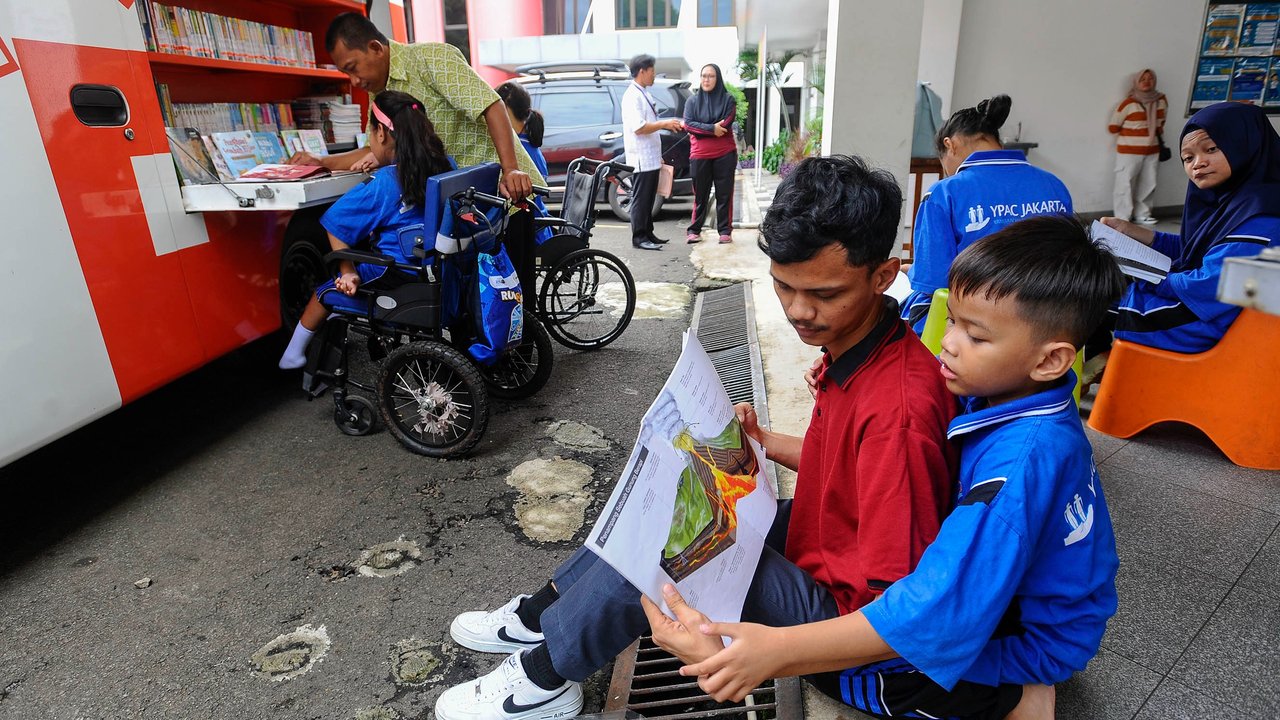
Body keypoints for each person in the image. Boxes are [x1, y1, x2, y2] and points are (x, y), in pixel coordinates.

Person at [431, 155, 958, 720]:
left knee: (673, 538)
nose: (799, 312)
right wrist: (761, 441)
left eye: (824, 294)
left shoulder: (898, 409)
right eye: (783, 286)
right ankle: (540, 616)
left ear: (883, 275)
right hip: (824, 544)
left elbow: (900, 612)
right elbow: (850, 470)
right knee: (664, 491)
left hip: (843, 629)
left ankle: (544, 676)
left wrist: (770, 654)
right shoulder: (862, 347)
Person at [649, 214, 1125, 720]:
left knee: (867, 672)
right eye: (954, 321)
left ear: (1051, 360)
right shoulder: (1016, 398)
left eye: (977, 337)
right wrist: (769, 440)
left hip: (1027, 639)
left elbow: (930, 611)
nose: (949, 342)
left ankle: (1014, 697)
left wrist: (774, 652)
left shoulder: (1020, 469)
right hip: (1026, 600)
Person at [278, 91, 451, 369]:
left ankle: (292, 356)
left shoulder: (383, 183)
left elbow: (336, 224)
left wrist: (347, 271)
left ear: (381, 133)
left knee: (324, 292)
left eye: (370, 131)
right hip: (439, 269)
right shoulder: (446, 166)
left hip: (396, 274)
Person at [286, 13, 540, 201]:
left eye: (353, 68)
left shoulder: (431, 58)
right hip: (464, 206)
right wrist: (320, 162)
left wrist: (511, 169)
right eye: (345, 74)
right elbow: (370, 150)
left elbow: (490, 106)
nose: (354, 81)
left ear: (375, 48)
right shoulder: (379, 95)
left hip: (508, 193)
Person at [1101, 101, 1280, 354]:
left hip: (1206, 324)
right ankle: (1101, 364)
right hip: (1212, 309)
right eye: (1188, 157)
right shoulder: (1242, 200)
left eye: (1211, 148)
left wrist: (1147, 276)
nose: (1198, 163)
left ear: (1246, 143)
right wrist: (1139, 234)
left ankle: (1090, 374)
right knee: (1097, 288)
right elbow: (1199, 249)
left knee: (1085, 300)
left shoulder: (1262, 215)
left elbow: (1206, 284)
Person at [899, 95, 1073, 334]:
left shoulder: (945, 193)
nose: (946, 171)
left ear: (950, 145)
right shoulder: (1054, 185)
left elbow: (933, 281)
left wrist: (914, 271)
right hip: (1049, 319)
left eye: (943, 162)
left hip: (977, 325)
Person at [622, 54, 684, 251]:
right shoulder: (632, 96)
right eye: (652, 71)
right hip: (640, 157)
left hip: (650, 156)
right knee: (641, 198)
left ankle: (648, 232)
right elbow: (639, 128)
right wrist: (665, 123)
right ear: (642, 71)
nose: (654, 75)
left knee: (649, 197)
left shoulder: (643, 93)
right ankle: (639, 237)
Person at [682, 63, 737, 245]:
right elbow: (688, 125)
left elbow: (726, 123)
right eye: (703, 75)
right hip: (700, 155)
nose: (706, 79)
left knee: (724, 194)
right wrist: (712, 129)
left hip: (725, 154)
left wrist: (702, 129)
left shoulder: (728, 100)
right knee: (700, 195)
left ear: (718, 78)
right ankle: (694, 230)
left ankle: (724, 231)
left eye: (711, 76)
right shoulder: (692, 101)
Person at [495, 81, 553, 245]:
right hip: (537, 227)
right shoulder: (529, 145)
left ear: (504, 111)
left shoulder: (517, 151)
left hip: (528, 233)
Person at [1108, 69, 1167, 225]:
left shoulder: (1161, 100)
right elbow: (1113, 126)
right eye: (1143, 79)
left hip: (1152, 150)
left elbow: (1161, 124)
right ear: (1136, 82)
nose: (1147, 82)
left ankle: (1143, 214)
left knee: (1149, 183)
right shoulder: (1128, 103)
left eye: (1151, 79)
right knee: (1124, 183)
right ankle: (1122, 217)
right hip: (1129, 151)